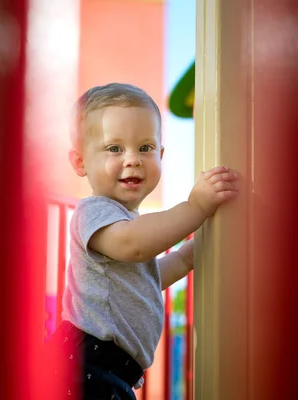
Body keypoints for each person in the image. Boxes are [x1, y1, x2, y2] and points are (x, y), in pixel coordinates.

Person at [48, 83, 238, 399]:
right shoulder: (93, 212)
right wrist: (195, 208)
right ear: (81, 161)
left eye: (145, 148)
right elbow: (134, 245)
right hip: (84, 364)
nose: (133, 159)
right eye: (114, 149)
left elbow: (147, 278)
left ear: (160, 155)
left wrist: (190, 256)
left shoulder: (128, 222)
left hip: (110, 369)